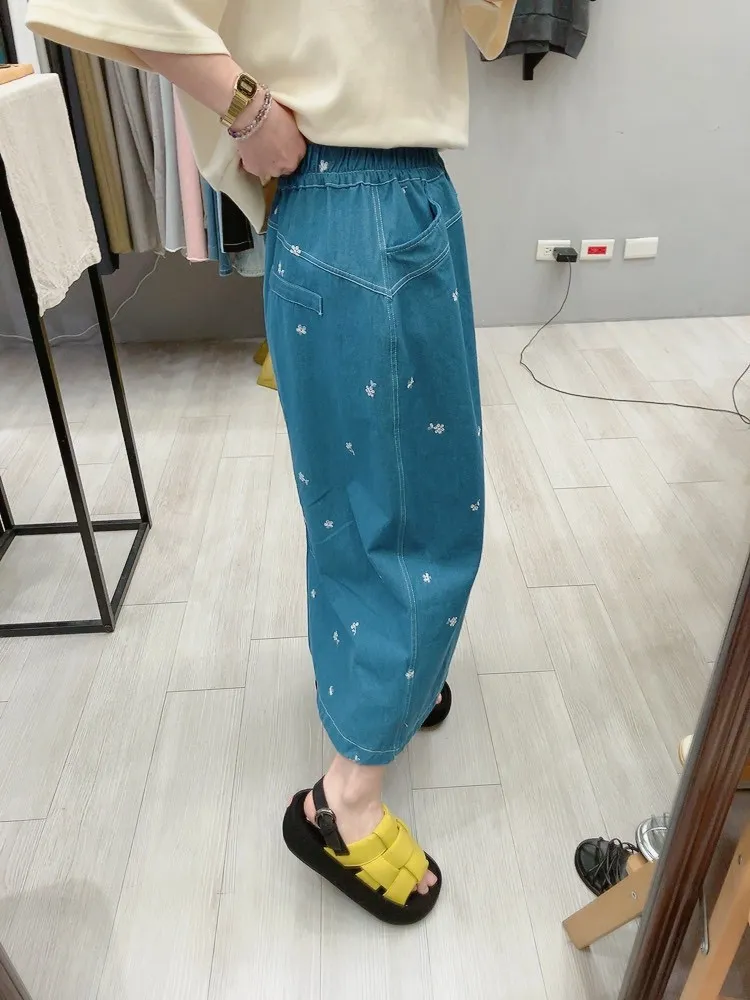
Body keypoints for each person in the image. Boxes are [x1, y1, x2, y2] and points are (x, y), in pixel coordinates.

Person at [27, 0, 516, 923]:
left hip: (367, 199)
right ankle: (343, 804)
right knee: (414, 514)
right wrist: (245, 107)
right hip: (364, 197)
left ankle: (391, 676)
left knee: (365, 495)